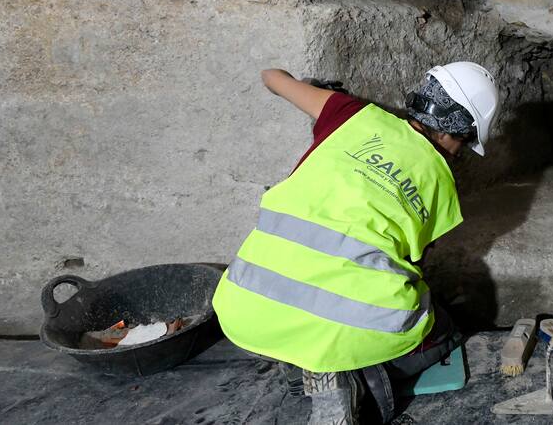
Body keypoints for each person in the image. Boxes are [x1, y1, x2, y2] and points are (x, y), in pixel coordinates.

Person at [212, 62, 500, 425]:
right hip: (347, 323)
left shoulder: (349, 114)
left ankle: (303, 361)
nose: (459, 152)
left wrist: (305, 87)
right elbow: (411, 267)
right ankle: (349, 374)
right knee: (440, 329)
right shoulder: (441, 184)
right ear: (455, 130)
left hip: (245, 310)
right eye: (464, 141)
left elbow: (270, 77)